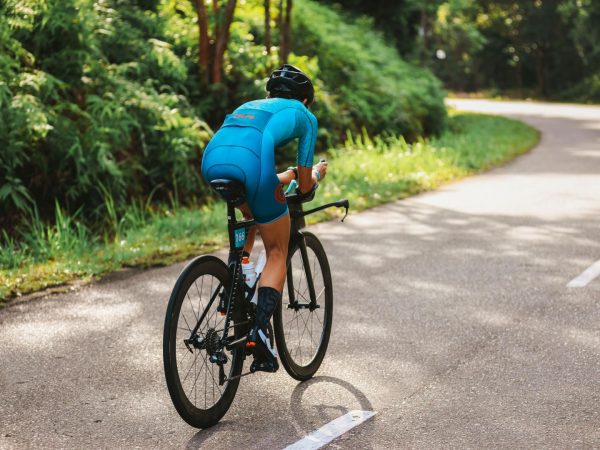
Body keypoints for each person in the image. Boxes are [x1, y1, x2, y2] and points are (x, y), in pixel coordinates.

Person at [201, 65, 328, 372]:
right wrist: (312, 175)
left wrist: (281, 178)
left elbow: (256, 165)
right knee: (277, 251)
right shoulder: (305, 116)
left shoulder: (251, 107)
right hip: (253, 165)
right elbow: (305, 184)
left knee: (251, 216)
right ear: (306, 100)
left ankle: (235, 288)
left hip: (213, 161)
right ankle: (258, 333)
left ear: (271, 94)